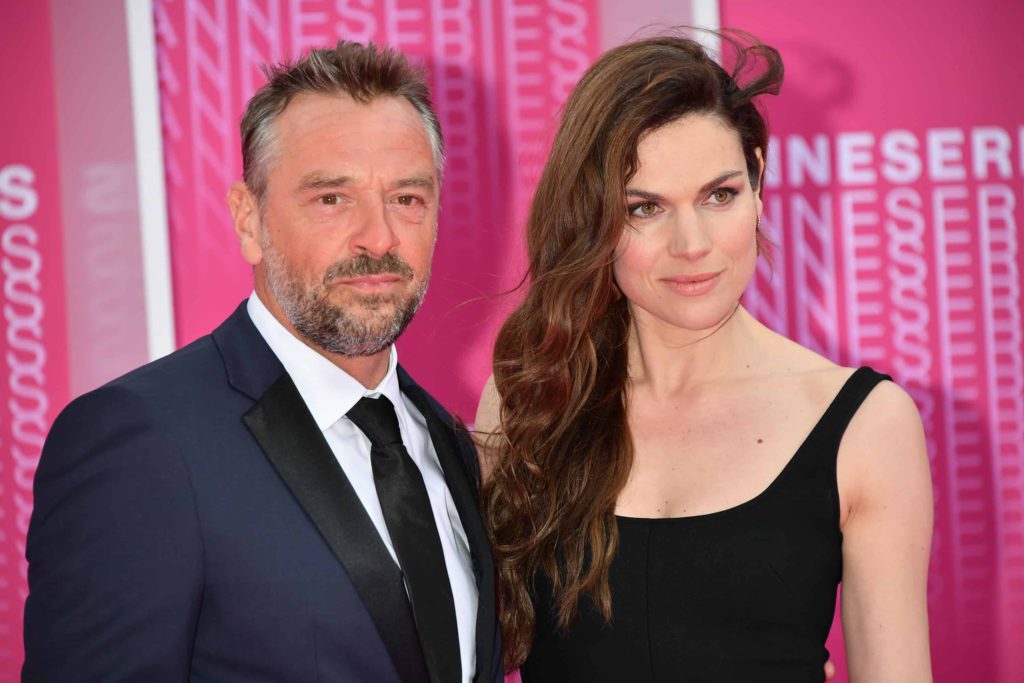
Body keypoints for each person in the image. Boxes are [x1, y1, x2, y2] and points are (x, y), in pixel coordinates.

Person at [24, 41, 501, 683]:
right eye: (331, 198)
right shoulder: (143, 442)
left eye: (407, 198)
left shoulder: (448, 442)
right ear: (249, 220)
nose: (379, 236)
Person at [475, 32, 933, 682]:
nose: (691, 244)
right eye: (645, 208)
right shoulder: (530, 401)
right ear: (594, 217)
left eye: (719, 195)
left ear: (758, 180)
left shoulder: (866, 425)